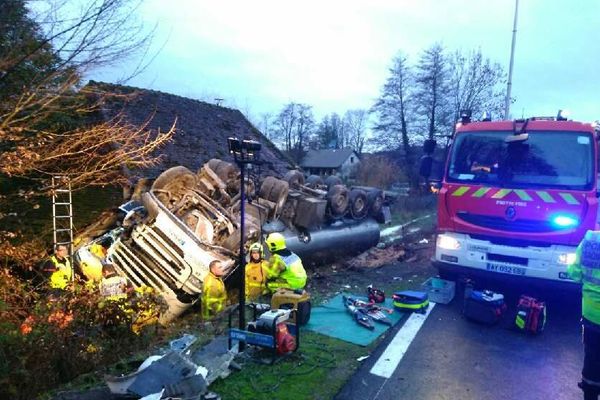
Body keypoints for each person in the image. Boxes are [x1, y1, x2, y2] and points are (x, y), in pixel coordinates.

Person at [569, 230, 600, 400]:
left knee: (592, 355)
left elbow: (574, 273)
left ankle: (590, 392)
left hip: (591, 313)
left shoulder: (589, 242)